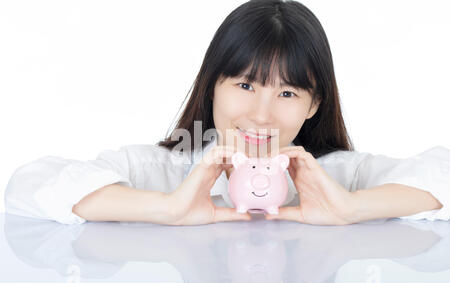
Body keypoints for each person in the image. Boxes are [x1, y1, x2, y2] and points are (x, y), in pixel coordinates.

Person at [4, 0, 449, 226]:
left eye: (288, 93)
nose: (261, 114)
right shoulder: (164, 170)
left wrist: (351, 207)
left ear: (315, 104)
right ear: (211, 86)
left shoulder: (339, 176)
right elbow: (29, 183)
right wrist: (169, 207)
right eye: (245, 84)